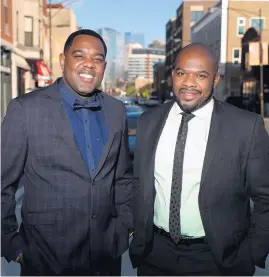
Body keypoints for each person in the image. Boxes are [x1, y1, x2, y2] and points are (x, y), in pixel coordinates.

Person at [129, 43, 269, 276]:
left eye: (201, 75)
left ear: (215, 80)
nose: (189, 83)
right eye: (182, 73)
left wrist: (253, 252)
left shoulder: (246, 127)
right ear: (173, 75)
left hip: (217, 260)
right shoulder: (148, 121)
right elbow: (138, 183)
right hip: (154, 256)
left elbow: (265, 198)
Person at [1, 29, 133, 276]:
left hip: (105, 258)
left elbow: (122, 176)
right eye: (79, 56)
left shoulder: (116, 111)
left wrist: (124, 226)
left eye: (97, 59)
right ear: (63, 61)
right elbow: (2, 183)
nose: (89, 65)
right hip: (45, 258)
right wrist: (10, 242)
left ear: (104, 66)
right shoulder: (26, 109)